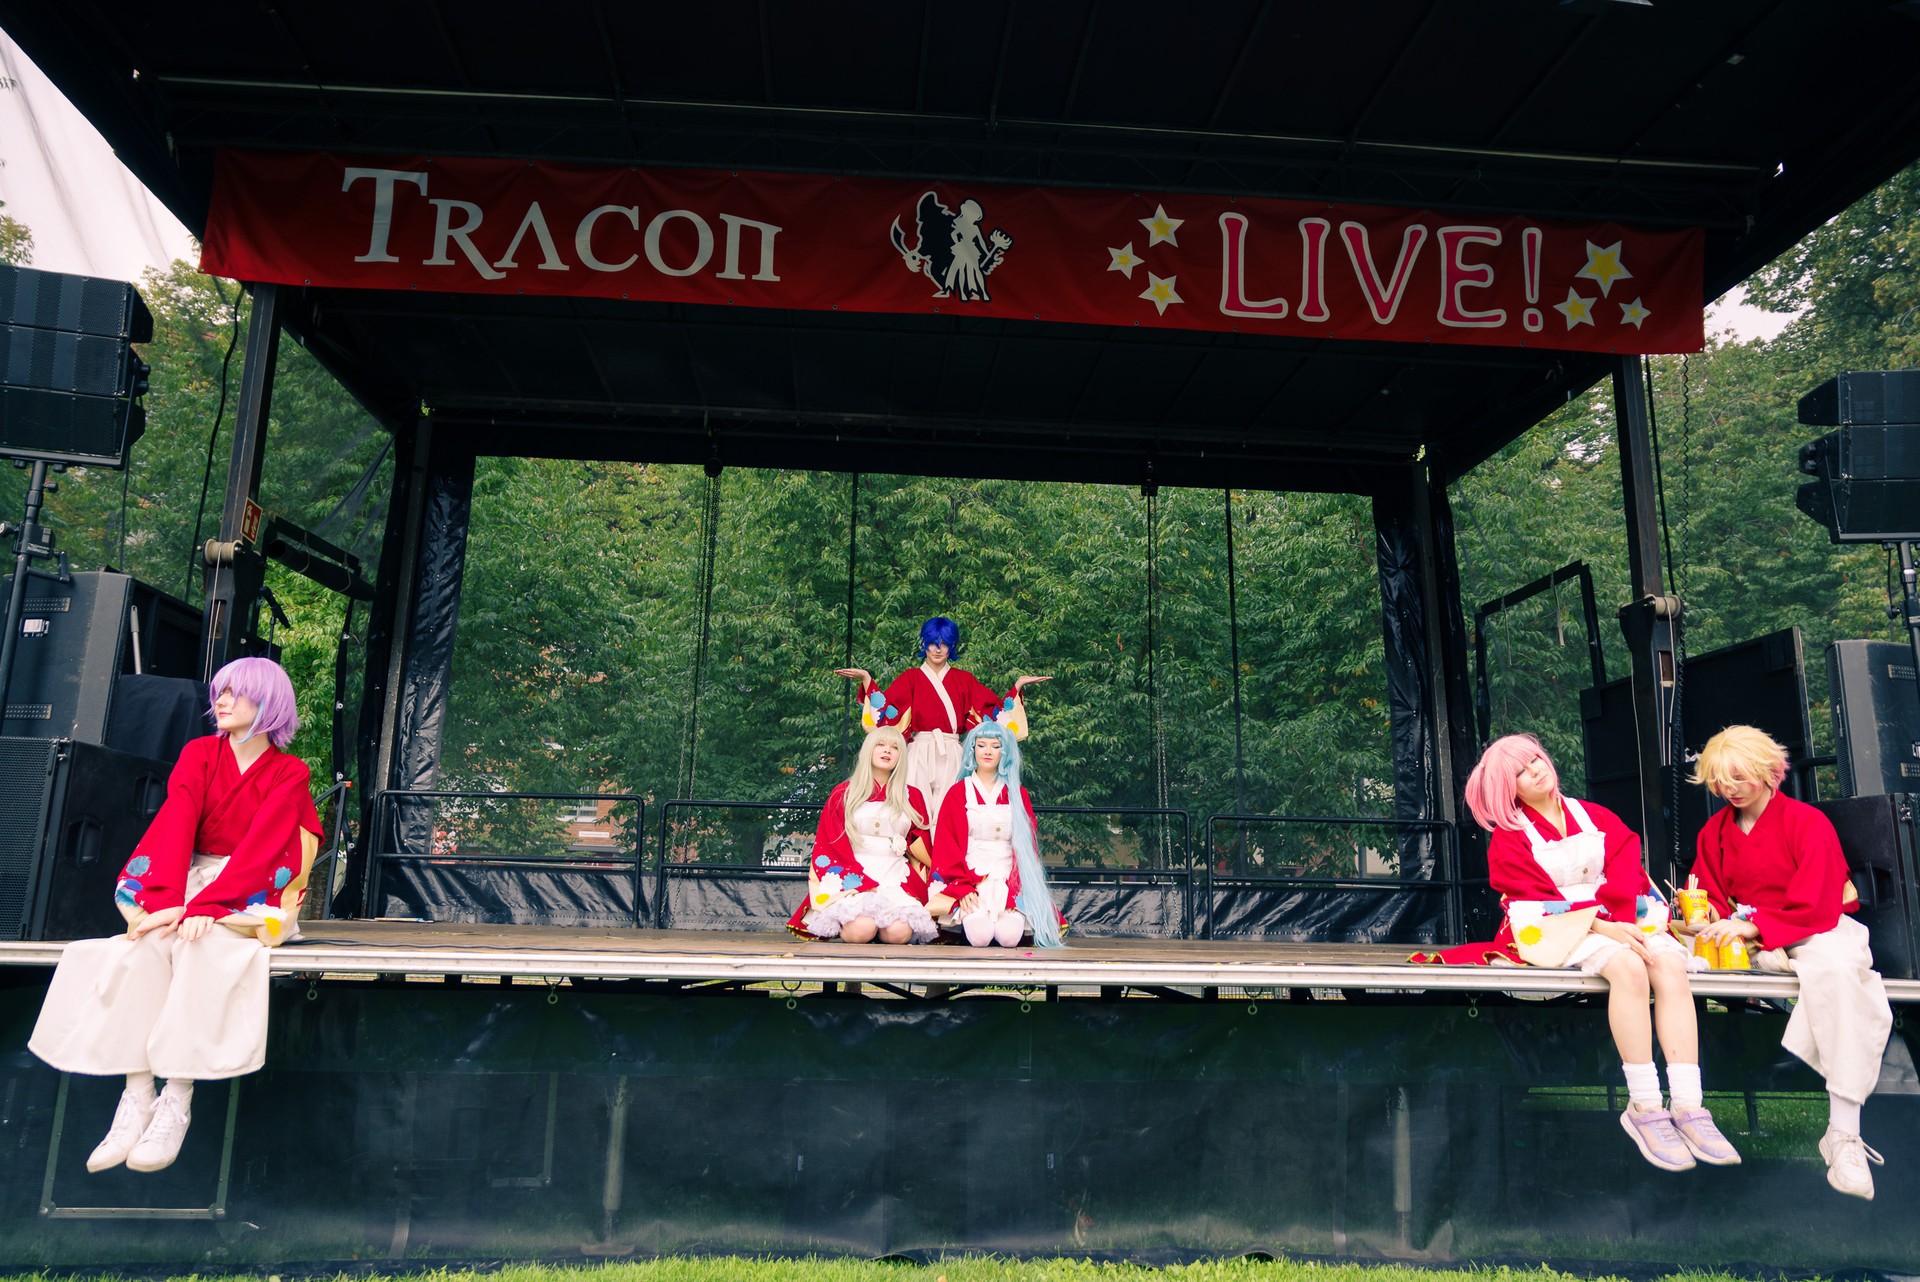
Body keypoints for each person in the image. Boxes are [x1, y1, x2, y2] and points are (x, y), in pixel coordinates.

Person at [28, 657, 322, 1174]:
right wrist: (167, 899)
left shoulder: (289, 771)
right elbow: (175, 821)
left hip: (251, 893)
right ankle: (137, 1095)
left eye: (235, 692)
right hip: (186, 879)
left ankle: (177, 1098)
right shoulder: (199, 754)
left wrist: (211, 907)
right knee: (143, 948)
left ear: (268, 702)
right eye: (220, 691)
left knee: (200, 949)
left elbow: (267, 847)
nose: (221, 700)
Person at [1418, 733, 1739, 1172]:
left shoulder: (1593, 815)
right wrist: (1601, 924)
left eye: (1535, 760)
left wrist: (1618, 917)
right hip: (1556, 927)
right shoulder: (1510, 839)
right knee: (1628, 967)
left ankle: (1689, 1105)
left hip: (1620, 912)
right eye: (1520, 771)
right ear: (1507, 790)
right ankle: (1645, 1105)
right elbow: (1531, 901)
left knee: (1668, 965)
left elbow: (1626, 865)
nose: (1536, 770)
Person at [1688, 724, 1893, 1199]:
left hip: (1814, 927)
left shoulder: (1806, 821)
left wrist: (1756, 927)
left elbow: (1819, 903)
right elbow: (1710, 893)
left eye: (1739, 777)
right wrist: (1708, 916)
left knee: (1839, 976)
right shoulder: (1714, 831)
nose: (1729, 789)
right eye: (1720, 780)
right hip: (1751, 937)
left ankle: (1844, 1133)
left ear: (1768, 771)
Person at [835, 616, 1048, 826]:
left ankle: (946, 850)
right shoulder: (911, 678)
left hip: (952, 751)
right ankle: (914, 850)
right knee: (913, 809)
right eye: (932, 643)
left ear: (952, 646)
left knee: (952, 811)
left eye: (944, 644)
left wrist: (1017, 687)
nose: (937, 650)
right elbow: (887, 713)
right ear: (924, 644)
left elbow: (991, 713)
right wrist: (867, 680)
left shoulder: (964, 680)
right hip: (919, 750)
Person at [788, 726, 939, 944]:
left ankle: (881, 931)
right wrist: (861, 882)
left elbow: (921, 846)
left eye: (895, 747)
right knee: (861, 930)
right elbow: (830, 845)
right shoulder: (843, 793)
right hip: (853, 876)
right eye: (880, 745)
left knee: (899, 934)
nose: (887, 751)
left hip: (895, 877)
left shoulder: (912, 796)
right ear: (868, 749)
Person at [929, 720, 1063, 948]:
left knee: (1010, 938)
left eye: (995, 746)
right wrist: (962, 888)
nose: (988, 751)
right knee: (980, 937)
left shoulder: (1017, 794)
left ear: (1005, 752)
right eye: (981, 745)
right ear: (972, 750)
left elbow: (1027, 849)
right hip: (970, 879)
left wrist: (1017, 887)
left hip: (1009, 880)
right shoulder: (958, 792)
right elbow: (946, 845)